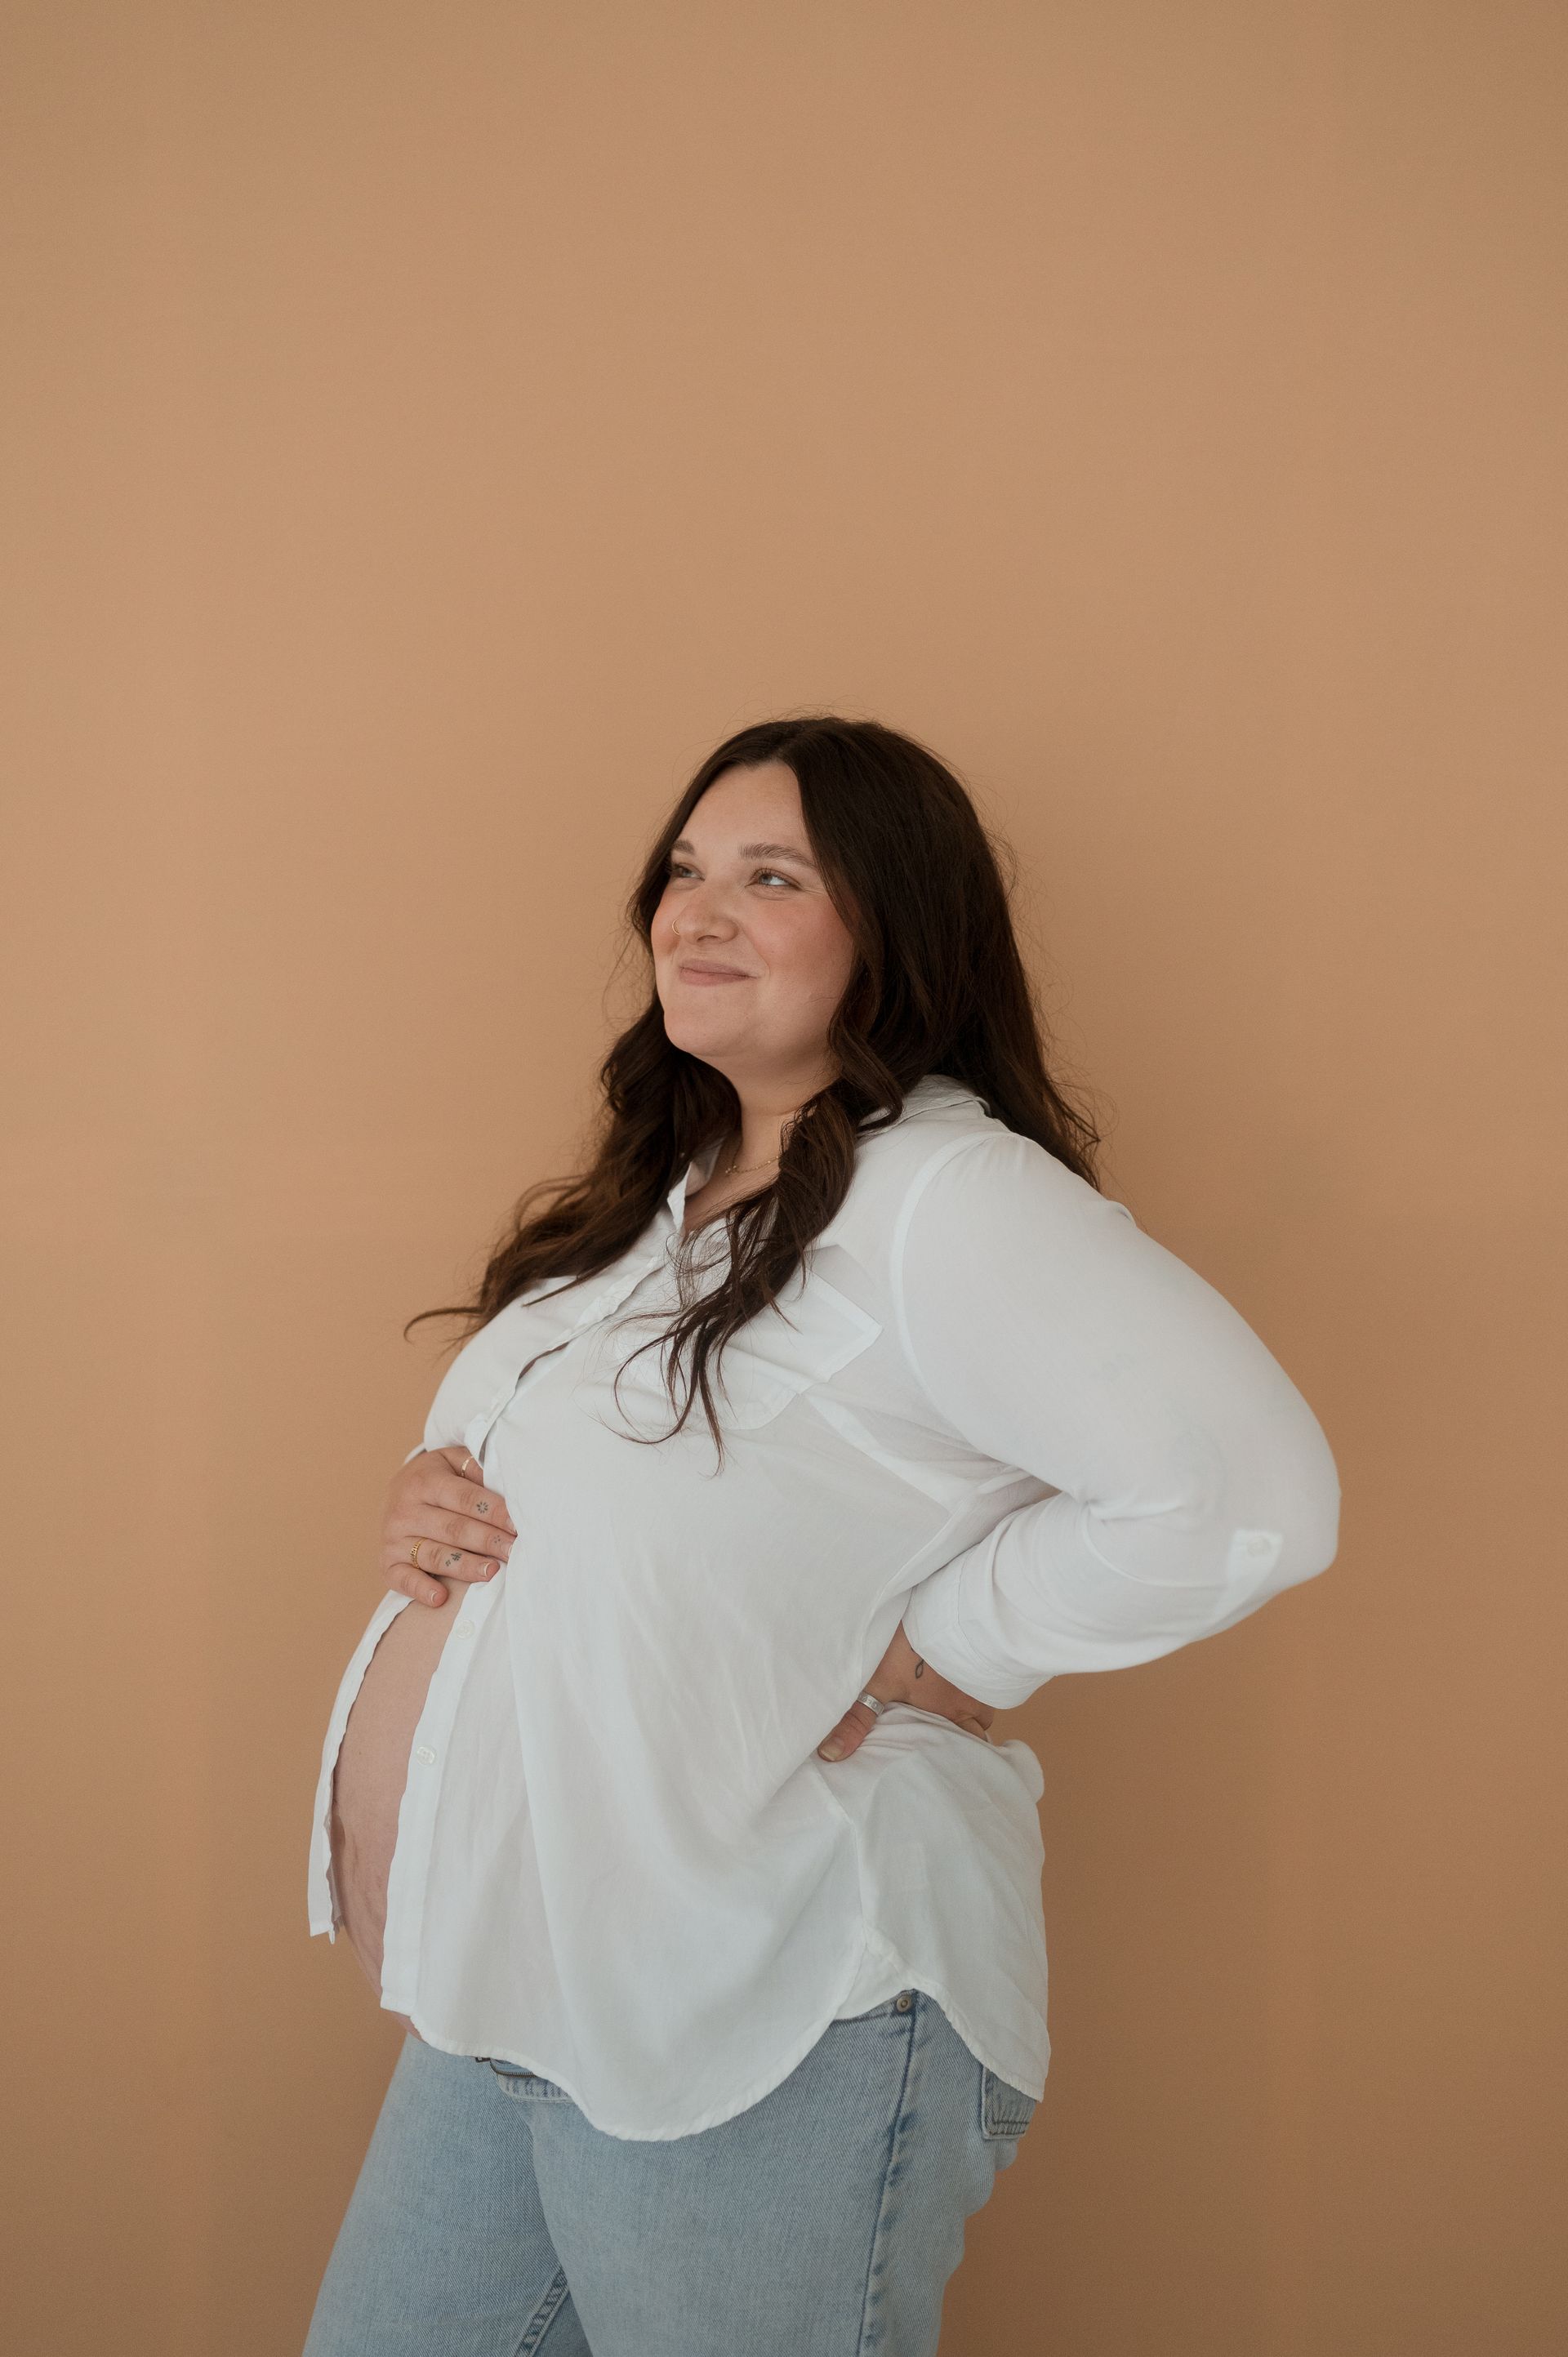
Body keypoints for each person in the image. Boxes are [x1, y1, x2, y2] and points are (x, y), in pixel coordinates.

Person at [302, 715, 1341, 2355]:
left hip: (768, 1979)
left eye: (769, 877)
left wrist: (960, 1650)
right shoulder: (661, 1195)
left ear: (892, 933)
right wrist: (437, 1493)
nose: (695, 913)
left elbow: (1255, 1496)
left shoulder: (949, 1201)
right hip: (525, 1963)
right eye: (687, 870)